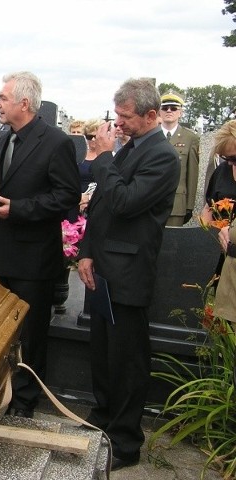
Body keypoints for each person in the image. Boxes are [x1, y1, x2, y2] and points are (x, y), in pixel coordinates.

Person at [0, 71, 80, 420]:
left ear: (24, 104)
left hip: (34, 257)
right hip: (2, 252)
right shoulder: (1, 137)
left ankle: (25, 400)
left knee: (30, 333)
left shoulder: (56, 142)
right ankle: (0, 390)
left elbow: (67, 196)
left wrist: (20, 209)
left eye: (2, 97)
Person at [77, 78, 179, 471]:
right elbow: (100, 205)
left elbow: (124, 202)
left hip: (129, 271)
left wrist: (103, 158)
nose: (117, 123)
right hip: (103, 267)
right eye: (116, 115)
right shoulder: (131, 148)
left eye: (125, 116)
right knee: (103, 353)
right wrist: (85, 253)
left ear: (152, 116)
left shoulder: (163, 157)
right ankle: (104, 416)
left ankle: (126, 440)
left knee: (127, 359)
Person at [159, 91, 200, 226]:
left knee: (172, 245)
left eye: (174, 108)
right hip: (150, 202)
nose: (169, 111)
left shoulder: (190, 138)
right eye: (165, 108)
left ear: (180, 112)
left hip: (176, 204)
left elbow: (192, 173)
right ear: (159, 111)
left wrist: (189, 205)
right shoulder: (150, 135)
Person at [212, 122, 236, 321]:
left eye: (234, 159)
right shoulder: (222, 172)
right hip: (218, 254)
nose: (229, 163)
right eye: (225, 158)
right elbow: (208, 207)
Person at [77, 118, 105, 215]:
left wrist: (89, 198)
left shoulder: (110, 156)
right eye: (89, 136)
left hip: (99, 205)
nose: (93, 139)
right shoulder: (78, 155)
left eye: (96, 136)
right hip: (76, 202)